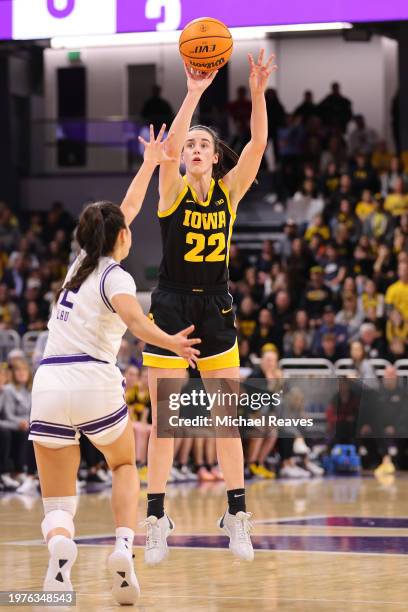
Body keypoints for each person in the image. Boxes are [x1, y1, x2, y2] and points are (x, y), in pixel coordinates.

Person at [27, 128, 201, 604]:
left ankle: (60, 551)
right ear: (121, 237)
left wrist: (147, 164)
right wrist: (171, 341)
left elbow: (123, 209)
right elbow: (134, 320)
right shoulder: (115, 276)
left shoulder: (77, 264)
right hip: (92, 378)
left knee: (58, 500)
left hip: (49, 382)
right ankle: (123, 547)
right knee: (124, 463)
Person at [141, 50, 276, 564]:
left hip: (216, 306)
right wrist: (194, 92)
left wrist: (258, 91)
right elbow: (169, 144)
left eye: (204, 144)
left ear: (216, 156)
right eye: (190, 145)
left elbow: (258, 143)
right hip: (172, 305)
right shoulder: (171, 190)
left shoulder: (229, 192)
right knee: (163, 422)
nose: (195, 148)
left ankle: (236, 515)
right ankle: (157, 518)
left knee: (227, 421)